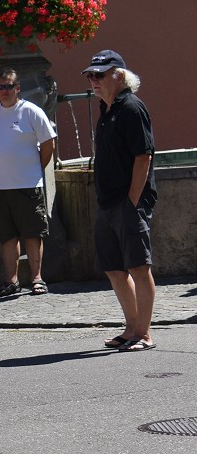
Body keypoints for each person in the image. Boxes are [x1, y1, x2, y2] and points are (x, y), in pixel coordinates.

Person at [85, 51, 158, 351]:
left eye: (99, 75)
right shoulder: (108, 109)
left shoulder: (131, 108)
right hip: (108, 200)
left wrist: (132, 200)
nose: (93, 81)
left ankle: (145, 333)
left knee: (139, 267)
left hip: (128, 202)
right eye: (90, 75)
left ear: (118, 75)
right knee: (114, 268)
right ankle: (131, 329)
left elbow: (144, 156)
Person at [0, 68, 56, 298]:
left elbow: (49, 143)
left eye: (8, 86)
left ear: (17, 88)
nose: (4, 91)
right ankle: (11, 280)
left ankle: (37, 279)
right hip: (1, 187)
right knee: (6, 236)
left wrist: (34, 168)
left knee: (33, 233)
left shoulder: (31, 111)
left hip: (28, 183)